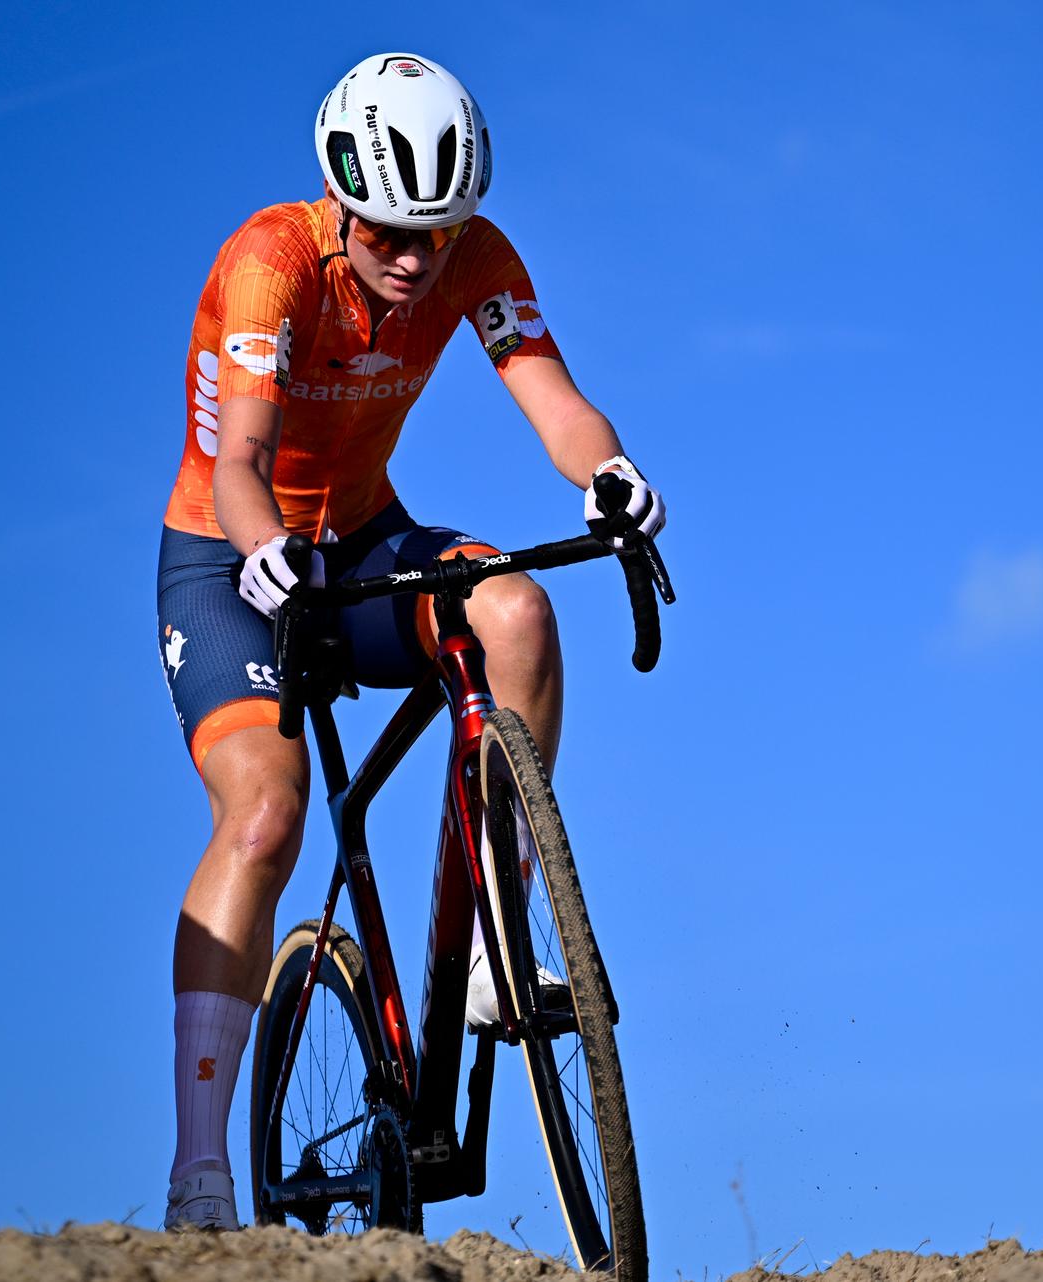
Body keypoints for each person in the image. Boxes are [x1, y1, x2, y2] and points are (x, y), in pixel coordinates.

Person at [155, 52, 665, 1231]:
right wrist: (266, 550)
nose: (413, 258)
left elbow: (554, 400)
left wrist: (610, 471)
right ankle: (200, 1171)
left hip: (362, 539)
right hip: (229, 557)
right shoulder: (272, 265)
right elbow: (239, 463)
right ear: (341, 201)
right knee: (266, 817)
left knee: (515, 610)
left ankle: (491, 940)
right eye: (388, 231)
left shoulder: (475, 259)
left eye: (436, 233)